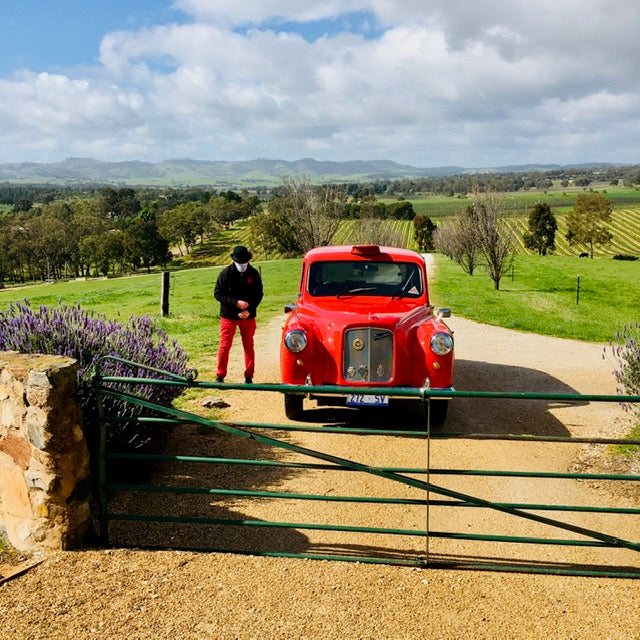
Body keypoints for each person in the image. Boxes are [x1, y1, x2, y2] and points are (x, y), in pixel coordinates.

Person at [214, 245, 263, 384]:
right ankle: (220, 375)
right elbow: (218, 294)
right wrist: (235, 303)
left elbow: (258, 294)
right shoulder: (225, 274)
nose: (243, 265)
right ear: (234, 261)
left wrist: (249, 310)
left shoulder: (253, 273)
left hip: (248, 316)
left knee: (248, 346)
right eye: (240, 263)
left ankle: (249, 375)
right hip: (228, 316)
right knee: (225, 345)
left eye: (245, 262)